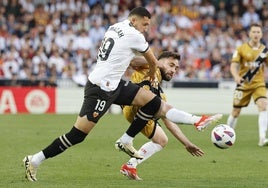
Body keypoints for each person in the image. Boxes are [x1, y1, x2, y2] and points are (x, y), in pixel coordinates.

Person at [23, 7, 222, 182]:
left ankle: (195, 121)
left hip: (114, 83)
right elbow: (153, 61)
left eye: (148, 25)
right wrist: (154, 74)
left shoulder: (114, 27)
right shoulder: (135, 35)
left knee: (154, 103)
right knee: (77, 135)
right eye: (144, 24)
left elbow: (127, 56)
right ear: (134, 20)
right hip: (100, 89)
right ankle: (34, 160)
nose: (146, 28)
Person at [118, 51, 205, 180]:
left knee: (161, 140)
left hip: (139, 113)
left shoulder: (160, 93)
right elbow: (134, 62)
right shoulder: (151, 67)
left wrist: (187, 143)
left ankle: (130, 166)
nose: (173, 70)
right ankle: (197, 120)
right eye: (171, 65)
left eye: (176, 68)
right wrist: (154, 62)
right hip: (133, 106)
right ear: (160, 61)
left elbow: (169, 123)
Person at [227, 23, 268, 147]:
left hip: (258, 84)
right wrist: (236, 76)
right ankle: (226, 134)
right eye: (254, 32)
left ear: (261, 34)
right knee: (235, 111)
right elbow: (233, 66)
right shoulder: (241, 49)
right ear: (249, 34)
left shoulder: (264, 51)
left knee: (263, 105)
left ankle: (262, 138)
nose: (256, 34)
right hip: (243, 84)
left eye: (258, 32)